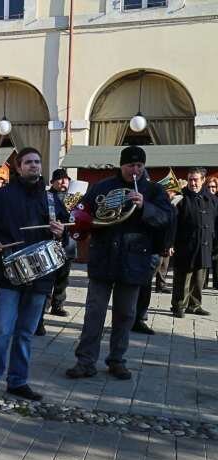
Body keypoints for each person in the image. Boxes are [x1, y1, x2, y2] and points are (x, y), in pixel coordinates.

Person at [66, 146, 173, 381]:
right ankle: (85, 361)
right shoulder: (102, 187)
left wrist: (145, 206)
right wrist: (81, 222)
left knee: (125, 315)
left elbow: (166, 219)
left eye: (139, 166)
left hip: (134, 259)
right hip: (103, 256)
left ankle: (117, 360)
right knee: (94, 313)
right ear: (121, 165)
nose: (135, 170)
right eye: (130, 165)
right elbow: (83, 213)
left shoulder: (153, 190)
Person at [0, 147, 67, 402]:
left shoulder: (51, 199)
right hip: (9, 274)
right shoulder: (2, 196)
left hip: (41, 276)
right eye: (28, 162)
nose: (34, 166)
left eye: (37, 162)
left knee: (25, 333)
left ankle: (18, 381)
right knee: (2, 331)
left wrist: (61, 232)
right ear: (18, 167)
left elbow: (66, 231)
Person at [133, 175, 179, 335]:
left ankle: (140, 316)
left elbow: (168, 224)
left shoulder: (161, 202)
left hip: (152, 250)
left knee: (145, 285)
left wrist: (168, 245)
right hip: (136, 248)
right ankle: (132, 316)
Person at [170, 167, 217, 317]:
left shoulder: (212, 199)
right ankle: (178, 306)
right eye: (190, 179)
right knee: (183, 277)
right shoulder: (181, 198)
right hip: (185, 245)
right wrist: (169, 243)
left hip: (205, 244)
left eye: (195, 180)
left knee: (199, 278)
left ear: (203, 180)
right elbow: (172, 224)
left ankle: (195, 305)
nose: (192, 183)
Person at [35, 169, 76, 336]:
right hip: (49, 243)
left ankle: (58, 305)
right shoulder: (48, 196)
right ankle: (40, 316)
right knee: (46, 281)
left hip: (67, 244)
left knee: (63, 278)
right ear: (52, 182)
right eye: (60, 179)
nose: (63, 182)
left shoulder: (75, 196)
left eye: (66, 179)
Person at [204, 175, 218, 290]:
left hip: (216, 234)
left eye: (213, 187)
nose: (211, 189)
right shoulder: (202, 199)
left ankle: (216, 284)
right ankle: (203, 283)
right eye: (208, 187)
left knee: (216, 260)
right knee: (205, 259)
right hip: (206, 233)